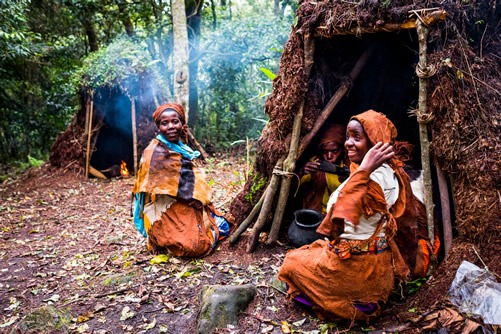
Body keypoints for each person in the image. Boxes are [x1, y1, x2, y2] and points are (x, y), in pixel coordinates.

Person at [278, 110, 439, 322]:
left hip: (359, 268)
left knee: (290, 264)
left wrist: (365, 168)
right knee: (309, 253)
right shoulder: (377, 173)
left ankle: (351, 305)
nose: (348, 143)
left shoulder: (374, 180)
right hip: (372, 265)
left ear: (375, 143)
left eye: (357, 137)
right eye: (347, 137)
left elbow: (342, 209)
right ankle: (358, 300)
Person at [132, 103, 232, 258]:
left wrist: (196, 198)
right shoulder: (153, 152)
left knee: (220, 228)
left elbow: (191, 183)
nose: (171, 126)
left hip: (186, 204)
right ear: (158, 127)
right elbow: (146, 195)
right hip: (162, 210)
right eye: (165, 123)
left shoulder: (180, 147)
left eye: (175, 121)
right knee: (193, 247)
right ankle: (157, 237)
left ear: (182, 124)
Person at [297, 123, 348, 214]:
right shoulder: (315, 163)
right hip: (317, 215)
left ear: (343, 149)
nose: (329, 156)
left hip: (341, 215)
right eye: (325, 151)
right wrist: (302, 171)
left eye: (334, 151)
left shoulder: (349, 165)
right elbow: (292, 188)